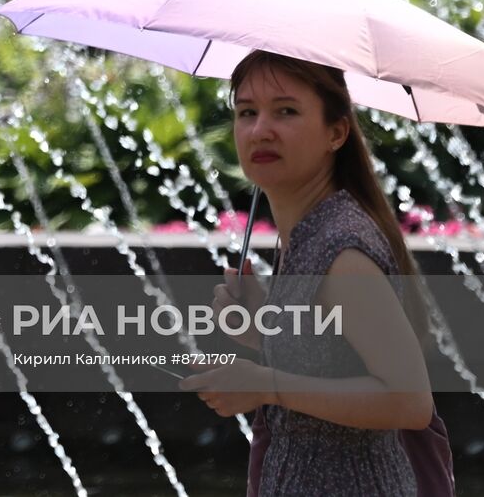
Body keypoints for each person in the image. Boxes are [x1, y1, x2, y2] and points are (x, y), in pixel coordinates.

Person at [178, 49, 454, 496]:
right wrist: (260, 328)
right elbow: (332, 359)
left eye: (285, 111)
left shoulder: (342, 251)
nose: (260, 130)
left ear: (336, 132)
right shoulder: (308, 232)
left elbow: (408, 402)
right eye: (247, 112)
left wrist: (265, 385)